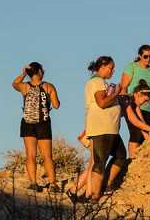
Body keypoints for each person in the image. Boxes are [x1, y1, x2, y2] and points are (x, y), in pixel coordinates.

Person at [12, 62, 60, 192]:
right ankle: (53, 184)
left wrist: (22, 74)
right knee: (47, 156)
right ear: (39, 72)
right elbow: (56, 105)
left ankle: (33, 182)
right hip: (43, 123)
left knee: (30, 155)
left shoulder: (25, 87)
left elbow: (14, 84)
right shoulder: (48, 86)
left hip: (27, 123)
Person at [84, 56, 126, 201]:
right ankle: (95, 195)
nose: (113, 70)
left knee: (121, 155)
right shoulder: (96, 82)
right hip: (102, 128)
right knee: (100, 161)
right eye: (111, 67)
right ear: (102, 67)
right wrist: (116, 93)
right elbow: (101, 103)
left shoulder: (102, 82)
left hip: (110, 128)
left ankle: (105, 185)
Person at [120, 45, 150, 158]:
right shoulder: (132, 67)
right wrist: (126, 103)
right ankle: (132, 159)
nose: (148, 59)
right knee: (136, 133)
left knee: (143, 135)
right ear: (140, 56)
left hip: (147, 107)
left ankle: (142, 160)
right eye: (145, 56)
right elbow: (123, 87)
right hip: (132, 104)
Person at [125, 80, 150, 149]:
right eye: (145, 100)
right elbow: (136, 122)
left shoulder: (136, 105)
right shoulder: (127, 100)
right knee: (135, 133)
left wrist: (149, 140)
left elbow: (142, 123)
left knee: (137, 133)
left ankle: (134, 158)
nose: (145, 103)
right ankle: (133, 158)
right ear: (137, 94)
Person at [66, 130, 94, 203]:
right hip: (96, 133)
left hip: (97, 132)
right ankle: (85, 193)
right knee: (94, 163)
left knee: (94, 163)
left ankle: (75, 191)